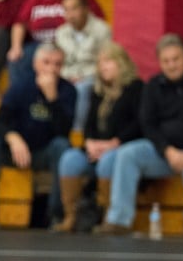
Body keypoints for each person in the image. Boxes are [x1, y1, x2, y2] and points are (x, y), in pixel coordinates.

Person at [0, 43, 76, 232]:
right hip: (16, 151)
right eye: (46, 63)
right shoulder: (21, 87)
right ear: (36, 64)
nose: (51, 69)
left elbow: (64, 132)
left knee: (63, 147)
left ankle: (56, 214)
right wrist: (12, 137)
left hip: (44, 151)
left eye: (57, 64)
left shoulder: (67, 91)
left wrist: (52, 99)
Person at [98, 34, 183, 235]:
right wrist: (168, 151)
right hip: (163, 153)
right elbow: (148, 124)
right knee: (128, 153)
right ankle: (118, 220)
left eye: (176, 59)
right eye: (166, 61)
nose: (172, 65)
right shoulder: (153, 86)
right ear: (160, 63)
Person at [55, 42, 142, 232]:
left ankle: (107, 215)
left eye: (108, 61)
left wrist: (114, 143)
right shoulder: (97, 91)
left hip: (120, 147)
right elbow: (88, 124)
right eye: (100, 62)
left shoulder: (135, 88)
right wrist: (90, 143)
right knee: (70, 159)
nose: (103, 66)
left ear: (121, 63)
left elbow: (139, 124)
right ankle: (70, 216)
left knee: (109, 162)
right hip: (96, 148)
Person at [7, 0, 105, 87]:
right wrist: (16, 46)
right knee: (17, 58)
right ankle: (21, 94)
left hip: (69, 44)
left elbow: (97, 24)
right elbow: (19, 23)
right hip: (38, 44)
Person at [54, 0, 111, 131]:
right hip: (67, 76)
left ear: (85, 9)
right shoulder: (61, 33)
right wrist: (67, 77)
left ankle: (77, 132)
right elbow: (59, 62)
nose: (70, 14)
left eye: (74, 8)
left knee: (81, 89)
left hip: (92, 77)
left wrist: (81, 77)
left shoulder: (102, 30)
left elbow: (105, 62)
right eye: (66, 10)